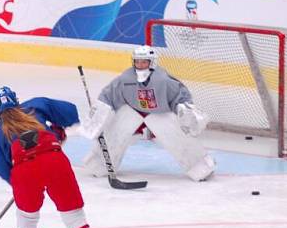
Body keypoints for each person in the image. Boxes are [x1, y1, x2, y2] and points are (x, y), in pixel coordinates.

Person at [0, 86, 101, 228]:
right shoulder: (35, 105)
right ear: (16, 99)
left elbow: (3, 168)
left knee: (26, 216)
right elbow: (70, 113)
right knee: (73, 215)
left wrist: (20, 185)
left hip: (25, 171)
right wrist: (57, 129)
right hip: (55, 160)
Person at [81, 46, 215, 182]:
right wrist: (99, 114)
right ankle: (98, 165)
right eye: (137, 62)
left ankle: (200, 166)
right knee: (114, 134)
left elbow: (180, 96)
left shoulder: (163, 80)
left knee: (177, 137)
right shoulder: (125, 78)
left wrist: (185, 110)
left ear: (152, 62)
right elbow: (108, 95)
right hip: (131, 111)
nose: (140, 65)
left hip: (159, 113)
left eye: (144, 62)